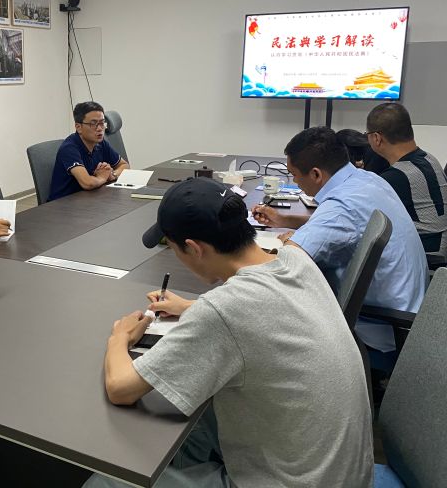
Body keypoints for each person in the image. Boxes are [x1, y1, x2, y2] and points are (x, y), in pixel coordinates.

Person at [85, 177, 372, 488]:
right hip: (344, 474)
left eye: (173, 248)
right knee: (194, 415)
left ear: (194, 248)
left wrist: (120, 337)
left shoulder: (223, 310)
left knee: (103, 482)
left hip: (293, 481)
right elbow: (264, 315)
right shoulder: (295, 259)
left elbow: (121, 389)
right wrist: (190, 307)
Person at [252, 126, 427, 354]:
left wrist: (290, 241)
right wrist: (285, 220)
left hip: (377, 327)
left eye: (294, 175)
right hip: (407, 311)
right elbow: (347, 225)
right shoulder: (367, 179)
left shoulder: (342, 207)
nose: (294, 181)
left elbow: (288, 262)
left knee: (269, 311)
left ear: (316, 174)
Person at [366, 103, 447, 263]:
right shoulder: (429, 158)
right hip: (439, 248)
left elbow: (363, 219)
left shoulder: (396, 177)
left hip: (426, 258)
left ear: (377, 138)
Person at [48, 101, 129, 202]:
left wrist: (112, 174)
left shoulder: (100, 143)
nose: (99, 129)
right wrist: (102, 178)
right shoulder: (69, 148)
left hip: (89, 198)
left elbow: (124, 165)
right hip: (63, 204)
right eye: (93, 124)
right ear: (78, 127)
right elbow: (87, 183)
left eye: (102, 123)